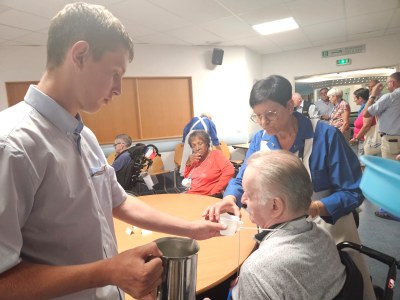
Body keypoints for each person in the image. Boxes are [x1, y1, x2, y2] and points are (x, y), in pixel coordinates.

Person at [0, 3, 225, 300]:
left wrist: (191, 229)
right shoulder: (13, 146)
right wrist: (107, 271)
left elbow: (118, 202)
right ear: (80, 55)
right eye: (115, 72)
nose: (119, 88)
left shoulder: (86, 136)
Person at [203, 75, 375, 300]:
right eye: (258, 116)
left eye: (270, 114)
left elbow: (353, 191)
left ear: (290, 105)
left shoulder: (326, 136)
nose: (264, 122)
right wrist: (229, 198)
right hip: (280, 227)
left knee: (337, 284)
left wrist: (313, 208)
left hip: (326, 225)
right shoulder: (260, 140)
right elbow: (240, 180)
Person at [229, 150, 346, 299]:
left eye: (249, 194)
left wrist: (251, 282)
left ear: (275, 206)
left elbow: (263, 274)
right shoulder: (325, 236)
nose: (243, 200)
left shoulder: (256, 270)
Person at [363, 72, 400, 221]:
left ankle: (392, 209)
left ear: (393, 83)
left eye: (388, 83)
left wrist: (373, 95)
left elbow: (366, 113)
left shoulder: (390, 97)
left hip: (391, 140)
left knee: (391, 175)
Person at [183, 130, 234, 197]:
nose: (197, 148)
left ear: (207, 143)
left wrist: (215, 191)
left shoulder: (216, 155)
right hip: (191, 194)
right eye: (194, 145)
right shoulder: (195, 158)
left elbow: (230, 171)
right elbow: (187, 178)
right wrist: (188, 162)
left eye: (200, 144)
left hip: (206, 196)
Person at [349, 88, 377, 160]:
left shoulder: (367, 108)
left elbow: (366, 125)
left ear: (360, 98)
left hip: (366, 140)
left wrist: (356, 138)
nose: (354, 100)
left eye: (355, 98)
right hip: (362, 139)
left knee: (364, 162)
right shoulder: (363, 108)